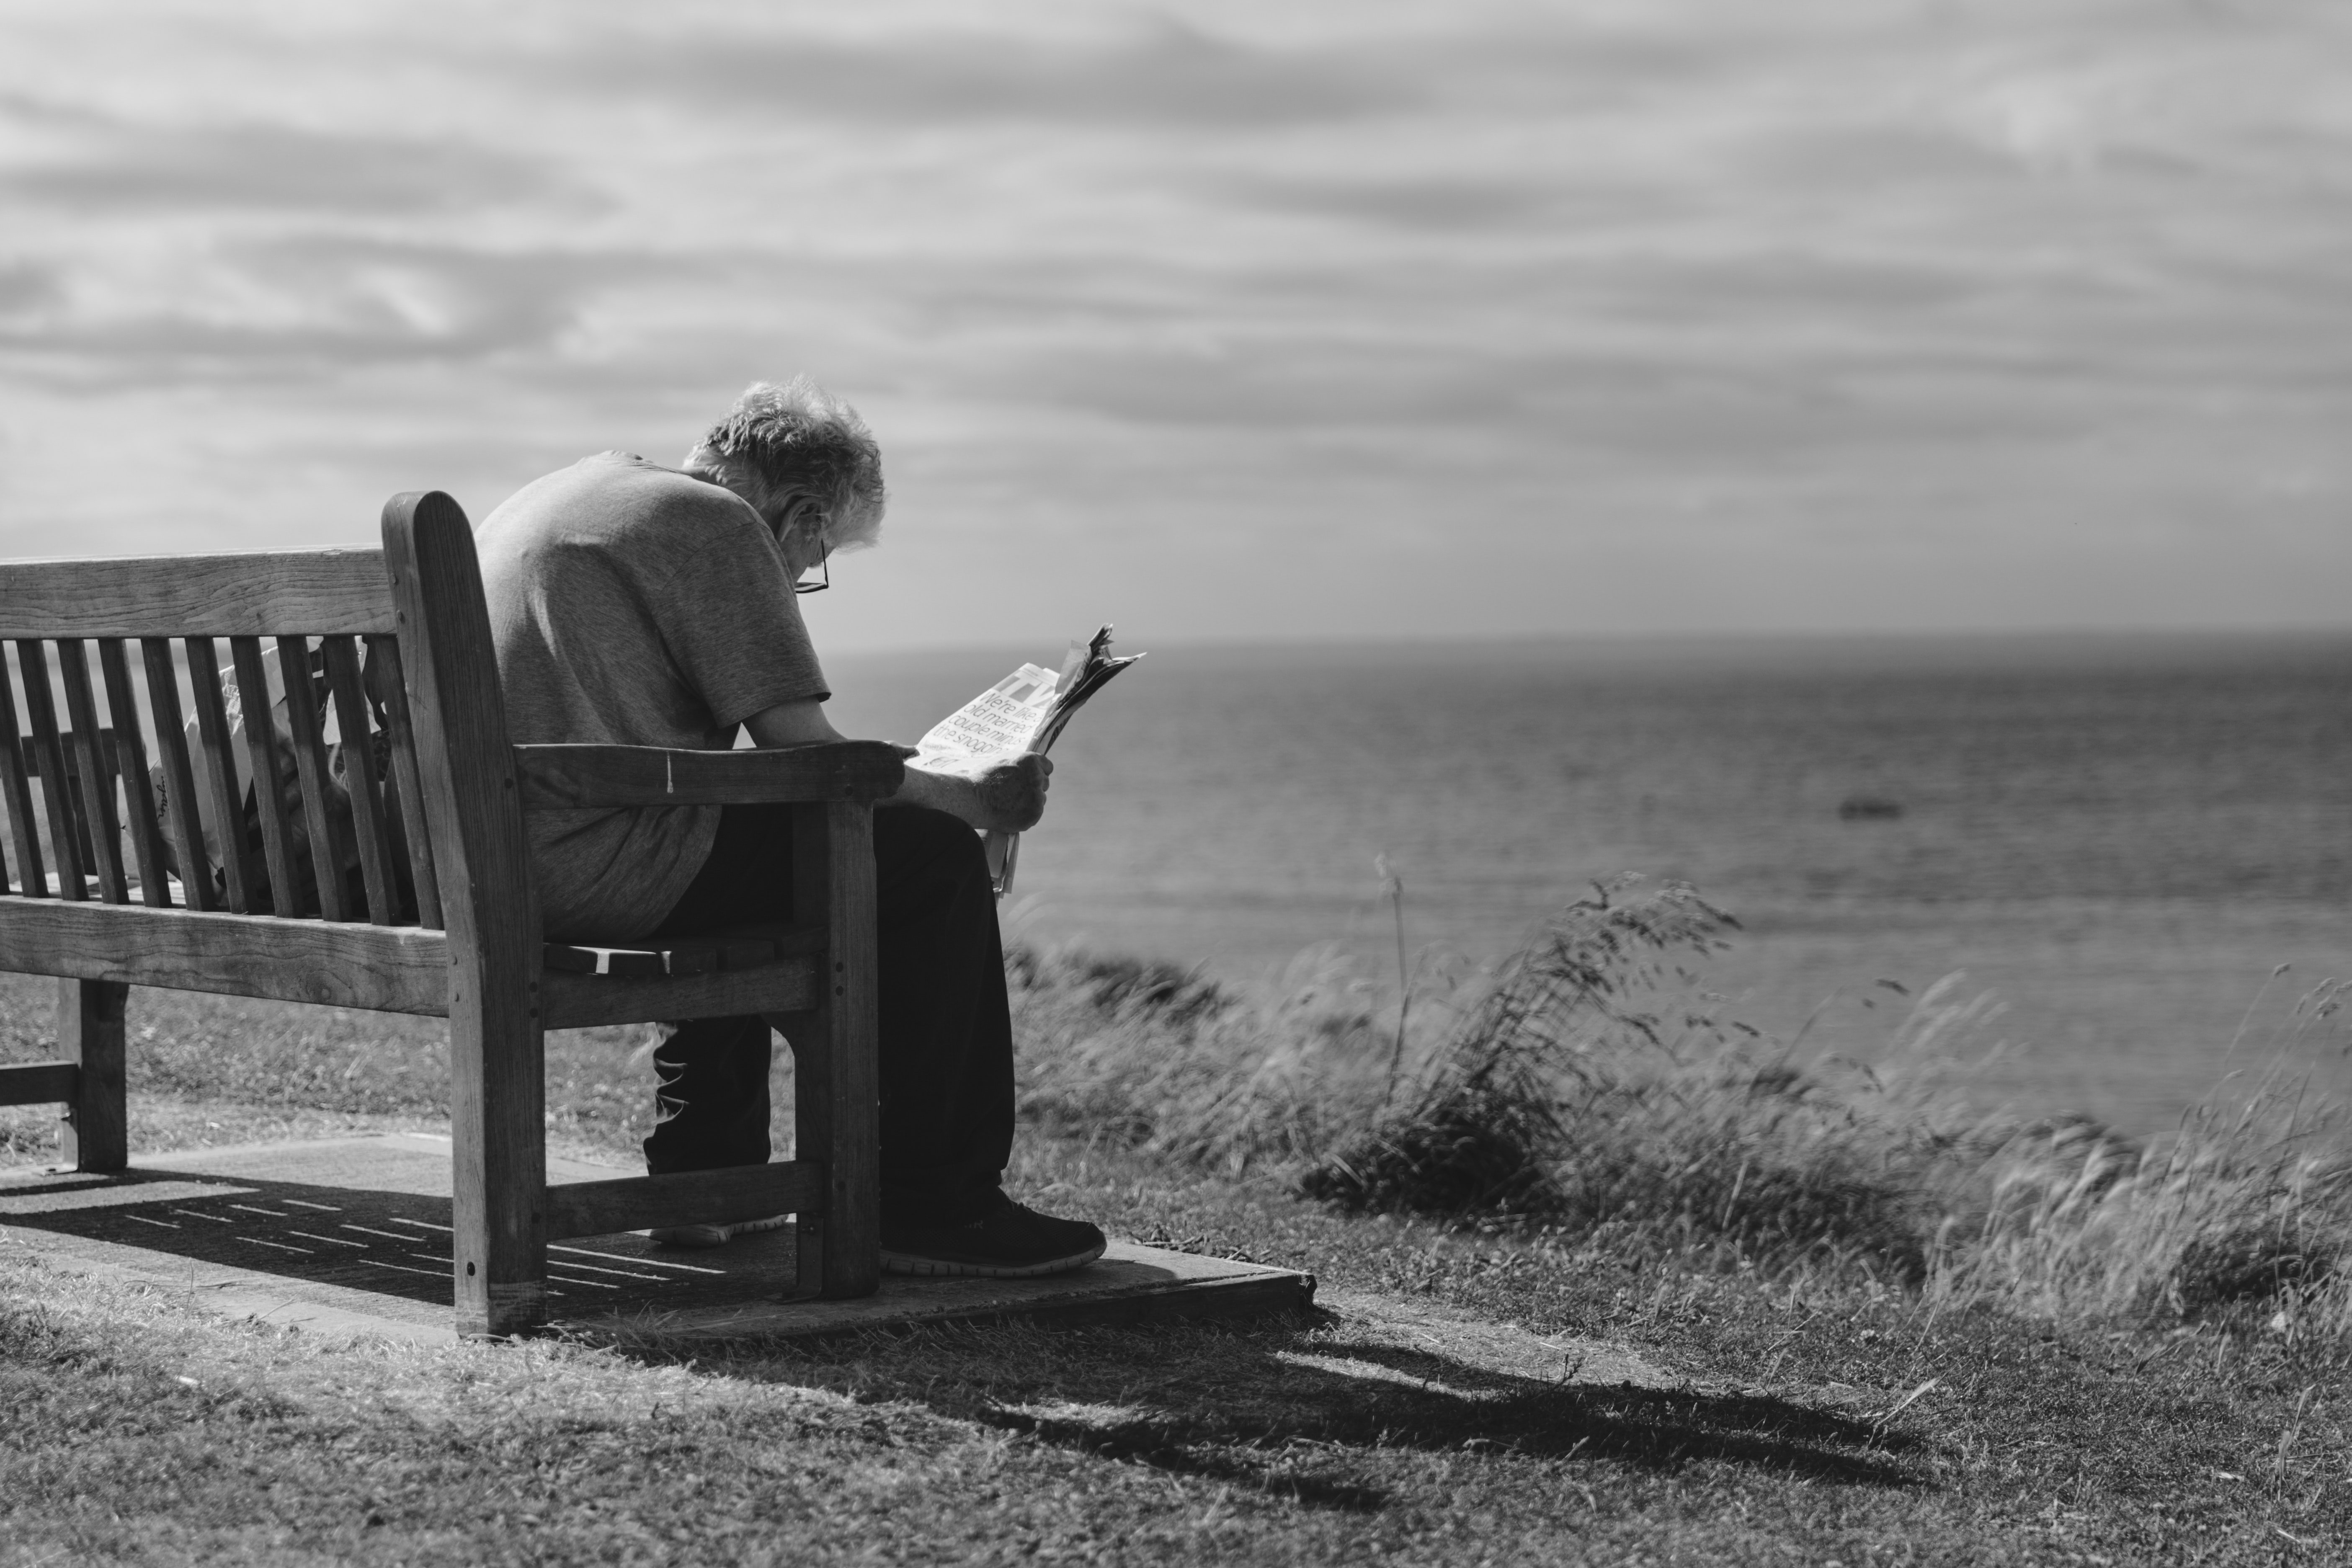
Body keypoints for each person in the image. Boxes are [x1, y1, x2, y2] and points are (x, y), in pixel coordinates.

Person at [474, 377, 1105, 1278]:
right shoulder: (719, 526)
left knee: (743, 823)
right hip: (585, 862)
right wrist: (974, 801)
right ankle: (939, 1206)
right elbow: (801, 748)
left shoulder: (573, 490)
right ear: (803, 511)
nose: (805, 580)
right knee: (928, 861)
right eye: (818, 556)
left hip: (489, 854)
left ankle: (707, 1179)